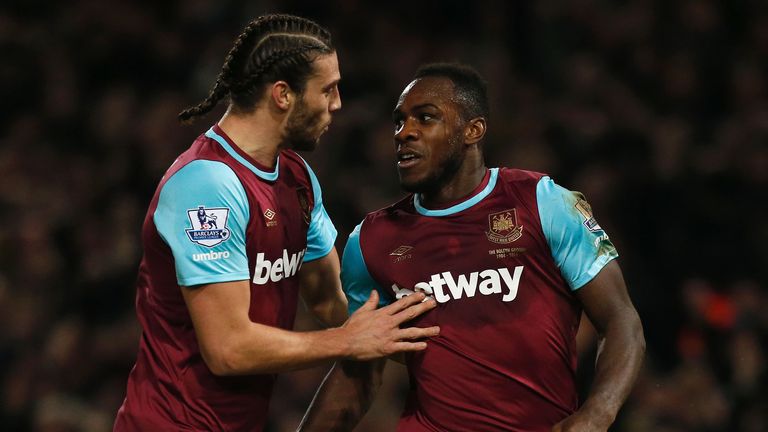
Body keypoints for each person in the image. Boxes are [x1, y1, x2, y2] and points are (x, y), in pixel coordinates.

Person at [113, 14, 439, 432]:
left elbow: (328, 301)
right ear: (283, 95)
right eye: (328, 89)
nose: (337, 104)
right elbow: (228, 349)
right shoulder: (207, 184)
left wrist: (419, 339)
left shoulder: (297, 176)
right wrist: (349, 341)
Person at [299, 63, 645, 432]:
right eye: (399, 121)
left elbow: (621, 320)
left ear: (473, 131)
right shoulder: (371, 241)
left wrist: (596, 415)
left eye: (425, 118)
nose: (404, 133)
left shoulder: (542, 203)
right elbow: (359, 372)